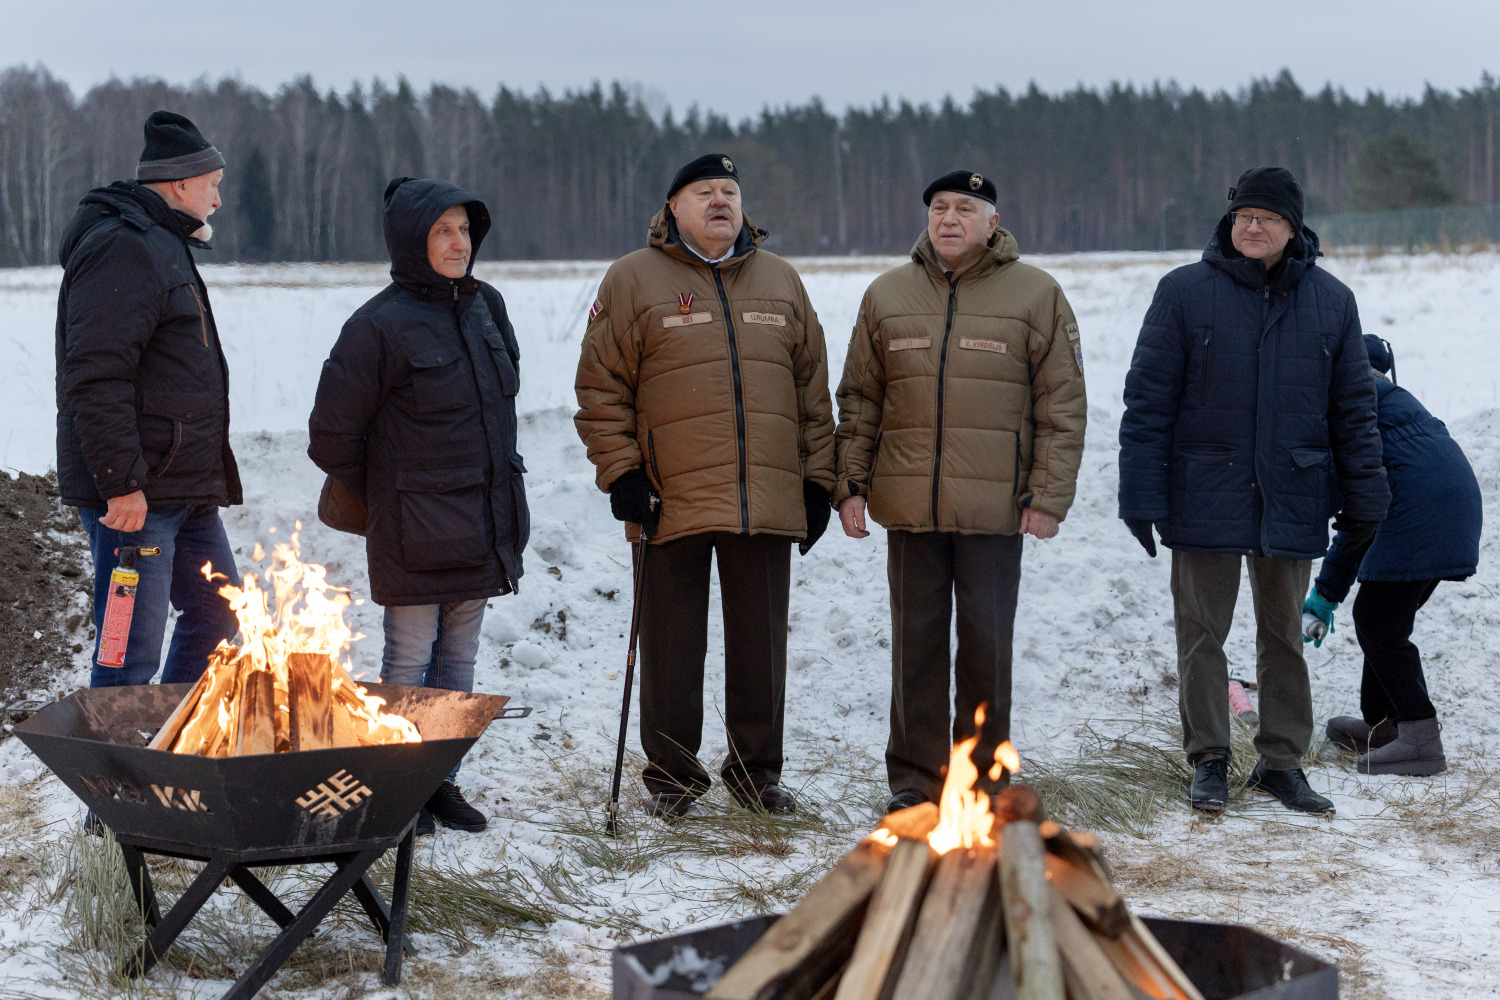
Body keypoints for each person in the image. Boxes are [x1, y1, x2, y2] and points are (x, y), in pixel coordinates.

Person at [1118, 166, 1389, 816]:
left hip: (1292, 492)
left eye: (1266, 218)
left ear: (1293, 228)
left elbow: (1353, 410)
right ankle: (1209, 761)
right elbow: (1148, 401)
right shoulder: (1185, 292)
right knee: (1201, 634)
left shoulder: (1332, 301)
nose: (1253, 227)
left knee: (1283, 637)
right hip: (1203, 491)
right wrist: (1140, 493)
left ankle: (1281, 763)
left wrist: (1366, 494)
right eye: (1243, 216)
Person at [574, 153, 836, 818]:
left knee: (761, 649)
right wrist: (622, 471)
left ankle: (757, 776)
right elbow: (601, 388)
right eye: (703, 192)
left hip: (767, 497)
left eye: (729, 191)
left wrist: (818, 480)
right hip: (669, 496)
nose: (720, 201)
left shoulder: (782, 282)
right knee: (670, 647)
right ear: (672, 209)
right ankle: (672, 780)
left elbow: (812, 390)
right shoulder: (633, 280)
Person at [833, 170, 1087, 814]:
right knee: (914, 645)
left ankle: (979, 780)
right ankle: (915, 782)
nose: (949, 218)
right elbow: (860, 401)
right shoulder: (887, 295)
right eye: (939, 208)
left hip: (996, 510)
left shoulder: (1037, 294)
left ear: (992, 222)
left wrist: (1048, 495)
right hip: (910, 508)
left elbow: (1062, 403)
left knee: (985, 645)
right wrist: (851, 484)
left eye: (965, 208)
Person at [308, 177, 528, 834]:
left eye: (464, 230)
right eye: (442, 231)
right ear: (412, 240)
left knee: (457, 663)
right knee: (409, 662)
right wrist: (392, 494)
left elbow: (501, 407)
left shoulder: (488, 305)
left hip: (482, 519)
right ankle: (397, 790)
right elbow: (331, 436)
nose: (458, 243)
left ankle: (440, 785)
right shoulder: (376, 326)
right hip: (413, 529)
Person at [56, 110, 242, 692]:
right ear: (181, 184)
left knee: (218, 611)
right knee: (127, 647)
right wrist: (119, 481)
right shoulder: (124, 247)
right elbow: (95, 375)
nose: (216, 202)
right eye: (212, 186)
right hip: (137, 495)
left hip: (183, 488)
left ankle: (167, 740)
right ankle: (112, 774)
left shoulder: (164, 244)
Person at [1304, 335, 1481, 776]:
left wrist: (1326, 592)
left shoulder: (1354, 407)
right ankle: (1383, 727)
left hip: (1419, 515)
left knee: (1379, 623)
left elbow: (1359, 515)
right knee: (1383, 620)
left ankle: (1420, 739)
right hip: (1453, 512)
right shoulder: (1392, 398)